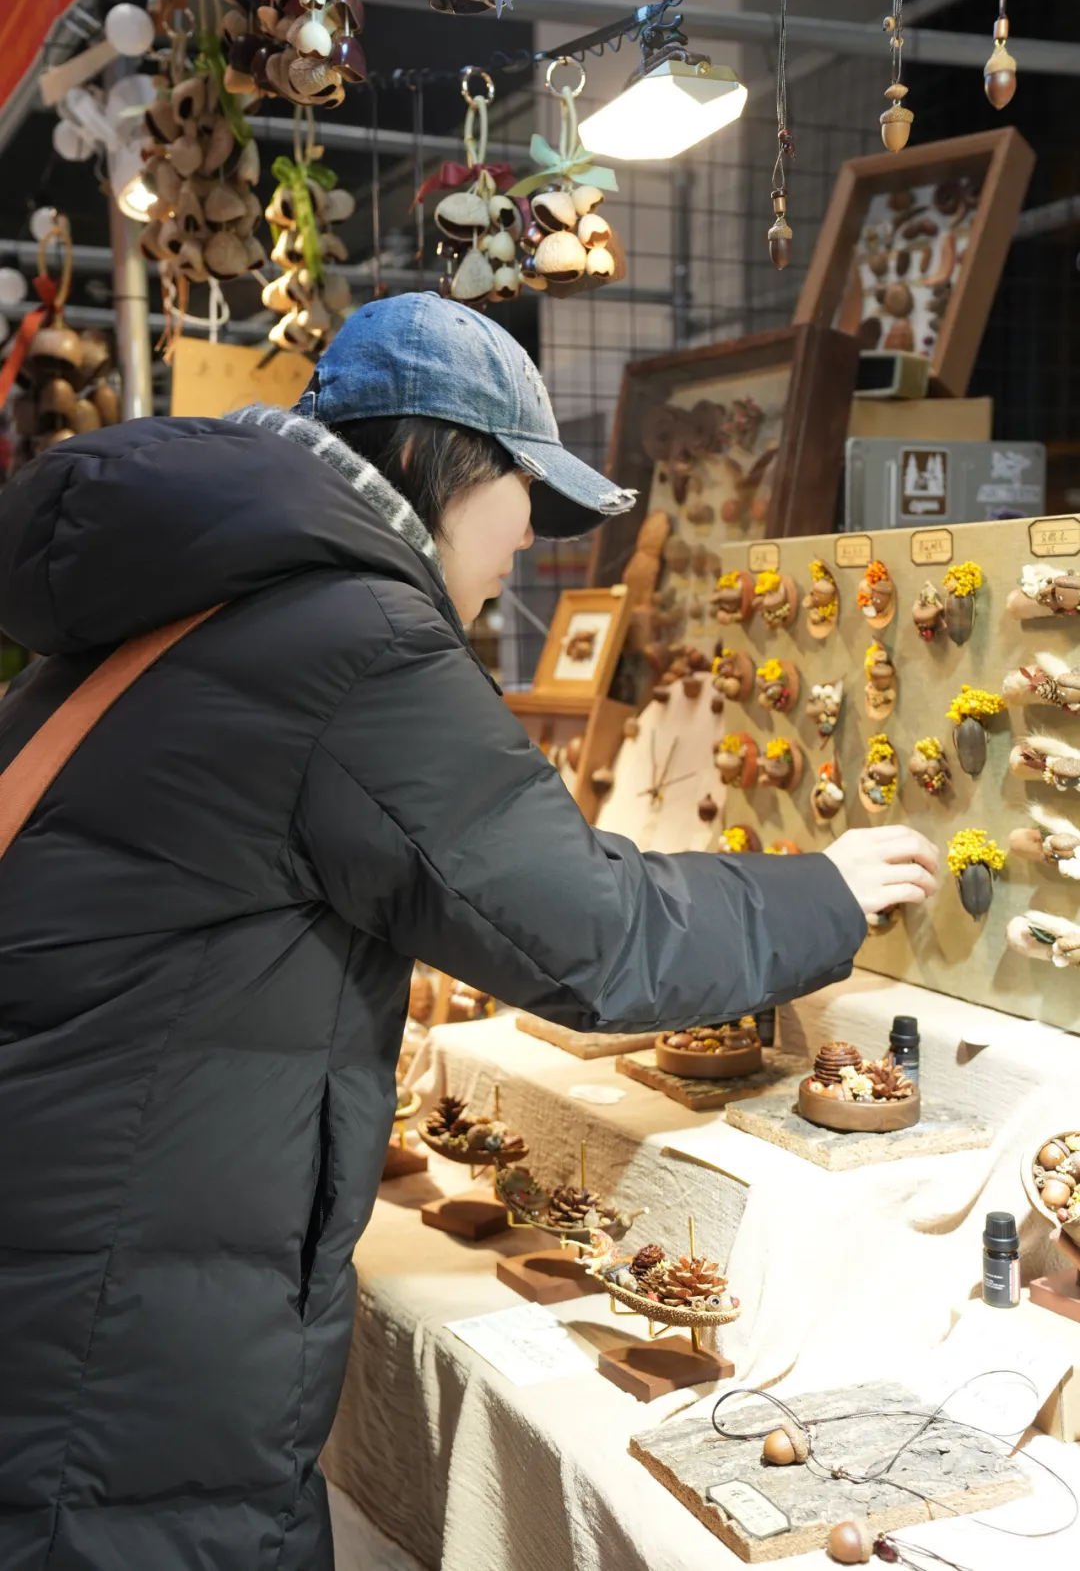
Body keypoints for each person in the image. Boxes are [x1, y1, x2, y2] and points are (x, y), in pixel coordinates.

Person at [0, 293, 938, 1571]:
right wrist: (823, 891)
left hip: (70, 1235)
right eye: (524, 495)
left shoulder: (184, 606)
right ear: (436, 459)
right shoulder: (352, 637)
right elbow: (589, 935)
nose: (528, 540)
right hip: (122, 1319)